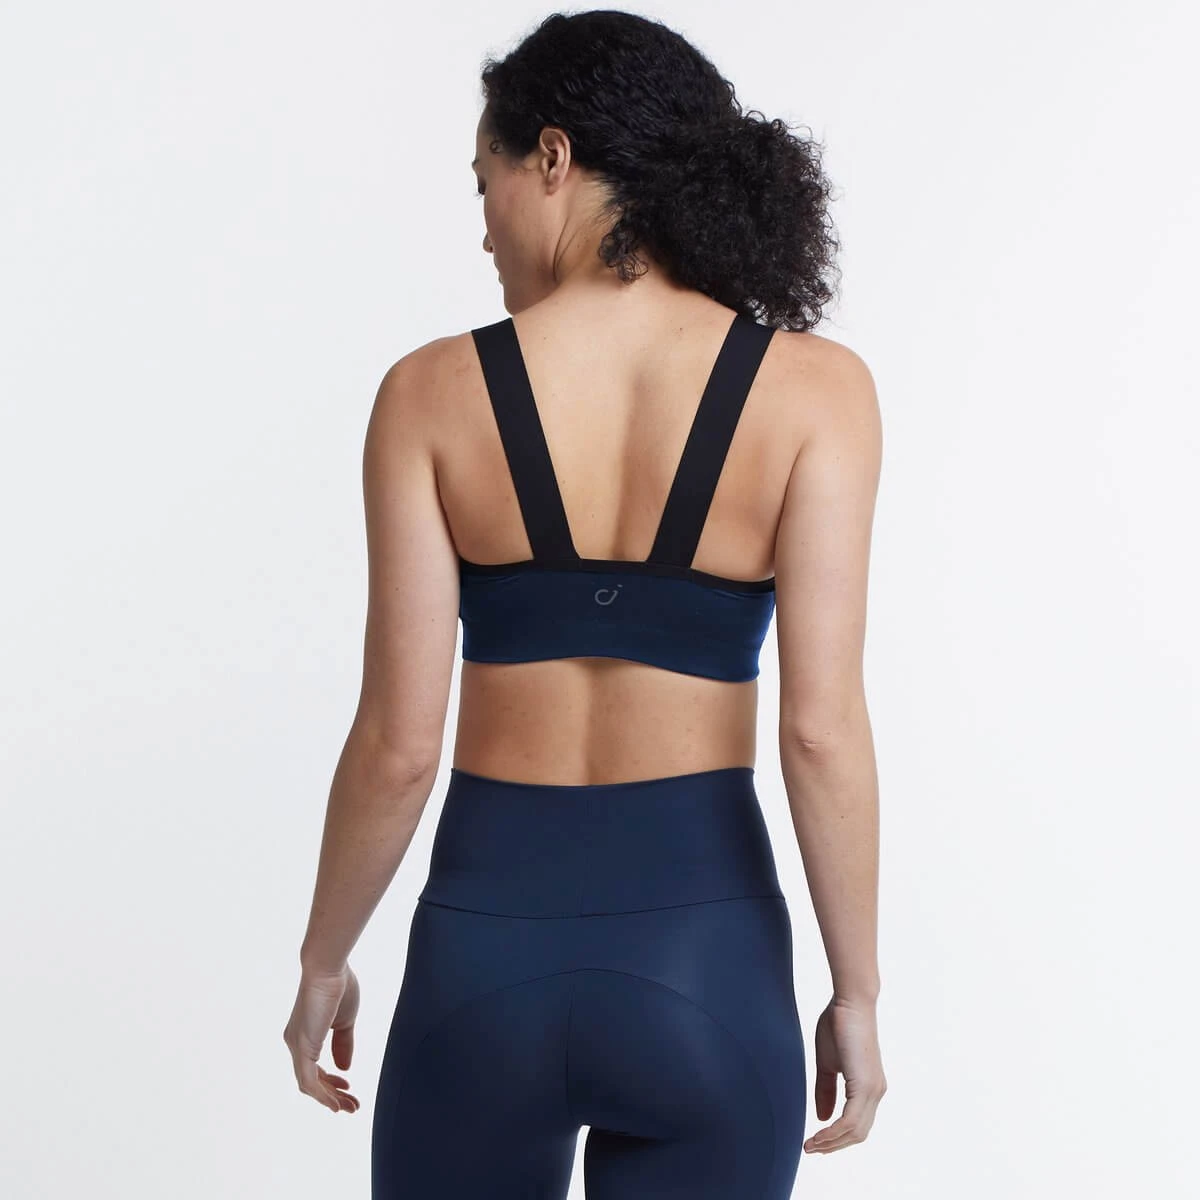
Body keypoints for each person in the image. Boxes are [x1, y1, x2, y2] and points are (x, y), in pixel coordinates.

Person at [282, 10, 886, 1198]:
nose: (486, 227)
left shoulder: (428, 396)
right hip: (708, 970)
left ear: (552, 157)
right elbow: (820, 732)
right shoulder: (817, 393)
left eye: (487, 183)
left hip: (479, 979)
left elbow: (400, 747)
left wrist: (323, 960)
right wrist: (856, 995)